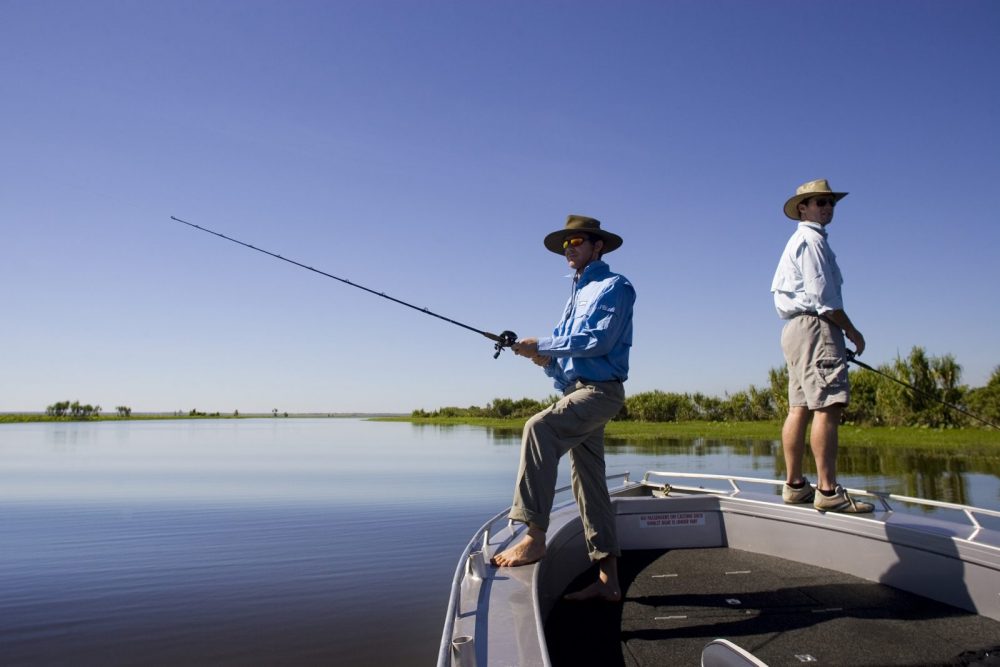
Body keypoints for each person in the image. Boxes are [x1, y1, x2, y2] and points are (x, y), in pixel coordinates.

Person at [490, 214, 636, 602]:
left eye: (576, 242)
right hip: (578, 390)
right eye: (565, 245)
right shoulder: (575, 294)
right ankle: (609, 583)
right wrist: (541, 358)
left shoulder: (615, 286)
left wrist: (545, 343)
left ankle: (534, 536)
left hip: (600, 392)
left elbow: (597, 341)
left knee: (539, 428)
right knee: (589, 483)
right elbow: (567, 361)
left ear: (597, 245)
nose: (568, 250)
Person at [771, 179, 874, 513]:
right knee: (827, 406)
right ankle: (827, 492)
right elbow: (825, 299)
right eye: (819, 202)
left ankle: (795, 485)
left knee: (798, 407)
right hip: (816, 326)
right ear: (803, 207)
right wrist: (853, 333)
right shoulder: (812, 240)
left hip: (796, 330)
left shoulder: (798, 241)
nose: (827, 207)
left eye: (830, 202)